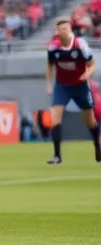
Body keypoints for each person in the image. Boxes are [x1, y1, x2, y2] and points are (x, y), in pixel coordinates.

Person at [45, 17, 100, 165]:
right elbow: (49, 65)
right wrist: (49, 83)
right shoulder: (53, 47)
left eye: (65, 29)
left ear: (69, 31)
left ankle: (97, 146)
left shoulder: (80, 45)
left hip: (80, 85)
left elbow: (92, 64)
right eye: (59, 29)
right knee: (55, 116)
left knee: (89, 120)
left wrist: (88, 74)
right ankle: (57, 156)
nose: (62, 32)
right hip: (62, 86)